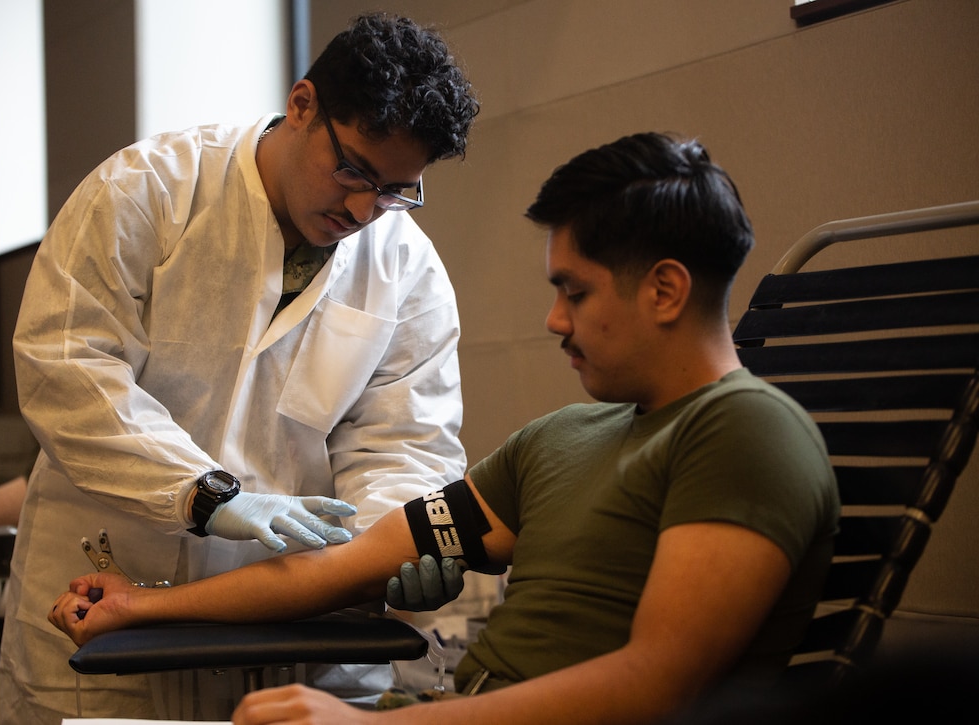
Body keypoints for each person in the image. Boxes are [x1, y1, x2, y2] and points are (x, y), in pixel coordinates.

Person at [50, 132, 841, 724]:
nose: (553, 319)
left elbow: (656, 686)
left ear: (665, 290)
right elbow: (356, 562)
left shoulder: (746, 431)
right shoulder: (564, 437)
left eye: (575, 291)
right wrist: (141, 604)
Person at [0, 12, 479, 724]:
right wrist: (204, 494)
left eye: (392, 190)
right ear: (301, 104)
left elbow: (404, 443)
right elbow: (68, 370)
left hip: (304, 633)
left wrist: (394, 543)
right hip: (105, 593)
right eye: (352, 168)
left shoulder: (407, 271)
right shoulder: (146, 192)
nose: (361, 207)